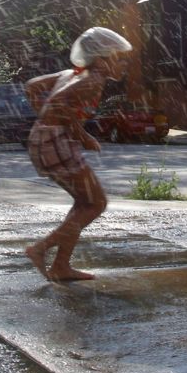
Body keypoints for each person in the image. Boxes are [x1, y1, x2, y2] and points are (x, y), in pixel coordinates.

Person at [23, 27, 132, 282]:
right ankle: (40, 249)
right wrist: (83, 135)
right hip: (56, 142)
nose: (123, 64)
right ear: (104, 57)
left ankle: (61, 266)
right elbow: (60, 102)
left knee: (83, 203)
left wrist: (44, 118)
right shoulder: (92, 79)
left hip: (44, 138)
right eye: (120, 57)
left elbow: (32, 86)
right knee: (96, 203)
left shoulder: (71, 73)